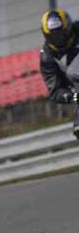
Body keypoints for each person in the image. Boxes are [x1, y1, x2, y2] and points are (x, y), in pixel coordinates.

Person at [39, 8, 79, 138]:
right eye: (53, 37)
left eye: (61, 34)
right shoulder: (47, 56)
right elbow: (55, 90)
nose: (59, 40)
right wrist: (73, 96)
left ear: (69, 28)